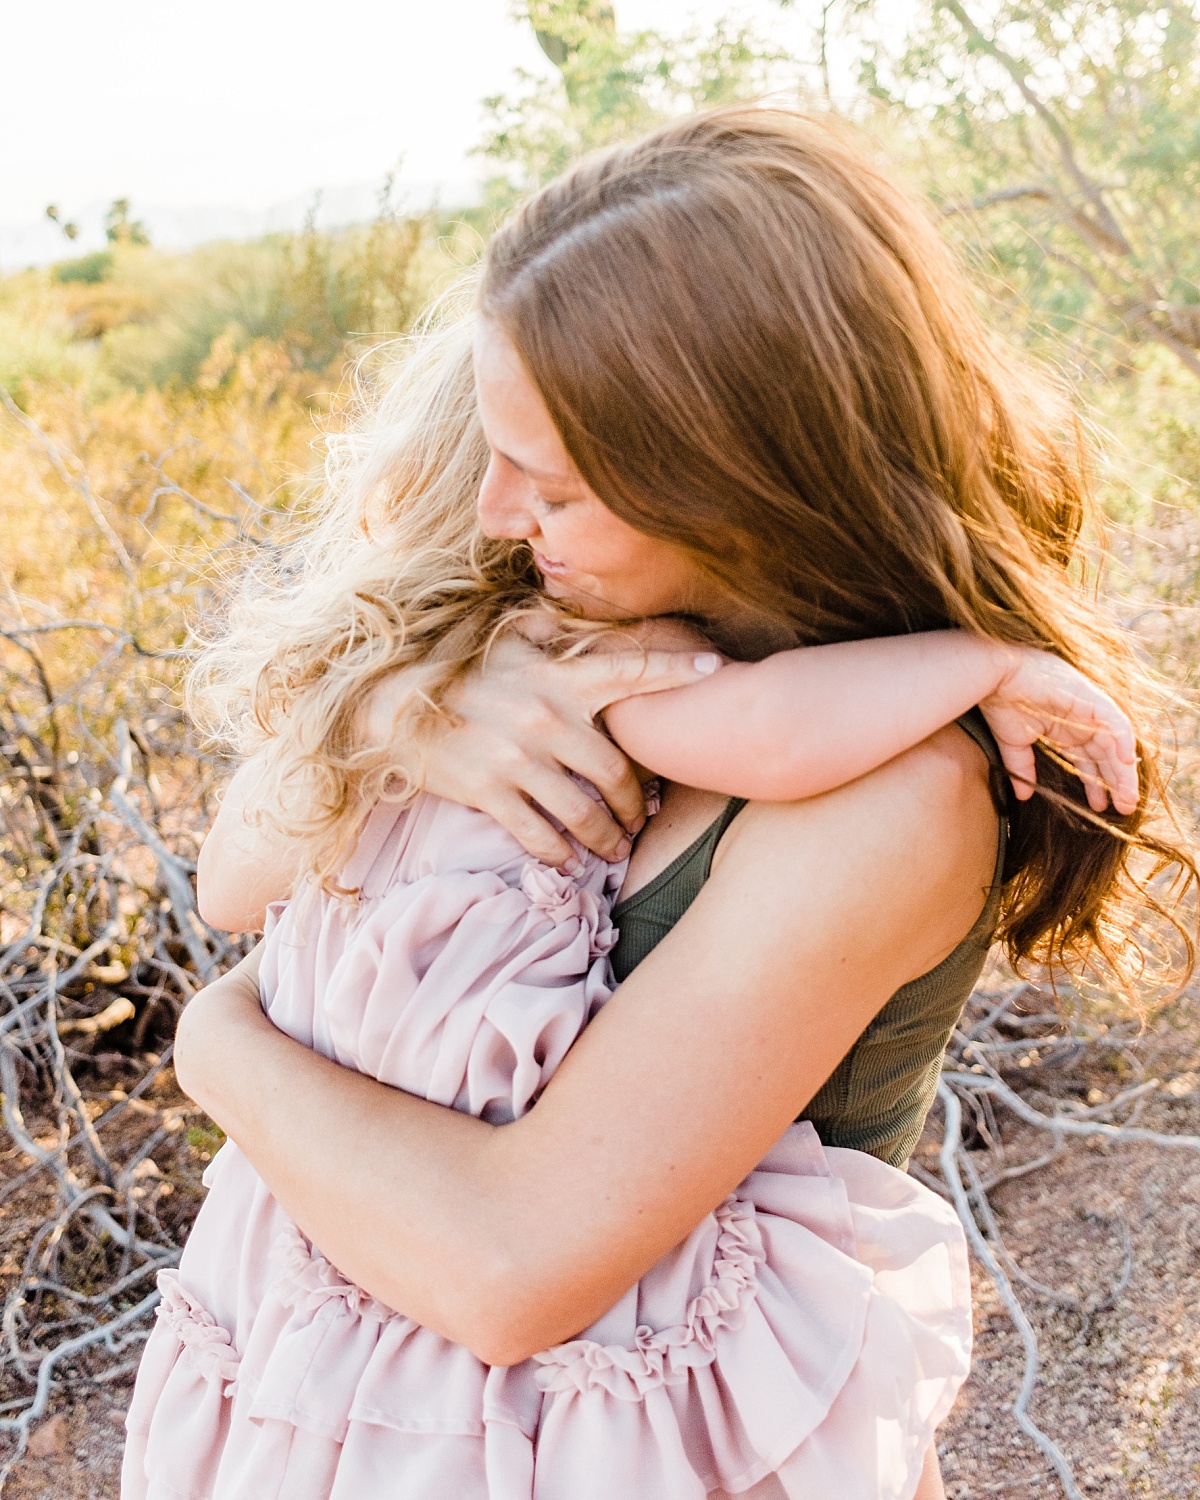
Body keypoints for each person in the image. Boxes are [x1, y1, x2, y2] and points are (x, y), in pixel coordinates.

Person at [131, 107, 1193, 1500]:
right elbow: (235, 881)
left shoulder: (889, 797)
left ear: (735, 477)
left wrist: (219, 1043)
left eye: (557, 486)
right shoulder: (544, 632)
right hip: (376, 1401)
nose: (502, 514)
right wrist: (402, 718)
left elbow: (509, 1270)